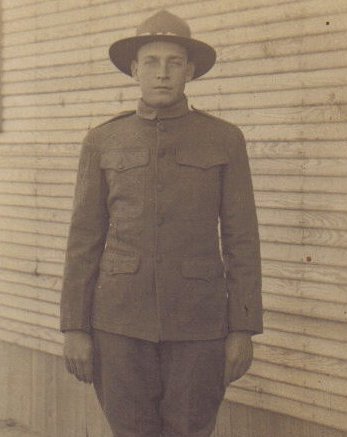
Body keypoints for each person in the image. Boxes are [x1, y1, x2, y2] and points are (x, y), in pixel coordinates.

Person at [60, 9, 263, 437]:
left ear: (190, 71)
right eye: (151, 62)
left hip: (199, 324)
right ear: (134, 70)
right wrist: (75, 327)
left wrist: (242, 327)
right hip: (117, 324)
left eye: (174, 63)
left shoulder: (224, 138)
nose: (162, 73)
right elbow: (83, 241)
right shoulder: (103, 139)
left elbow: (243, 239)